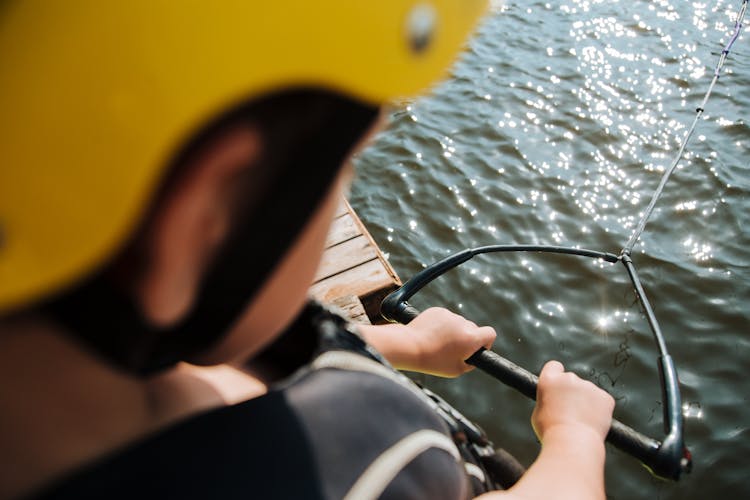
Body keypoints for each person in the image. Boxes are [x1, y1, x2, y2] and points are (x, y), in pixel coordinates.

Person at [0, 2, 614, 499]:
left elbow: (223, 373)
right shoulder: (369, 471)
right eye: (345, 168)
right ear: (202, 220)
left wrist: (412, 346)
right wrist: (573, 436)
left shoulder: (95, 382)